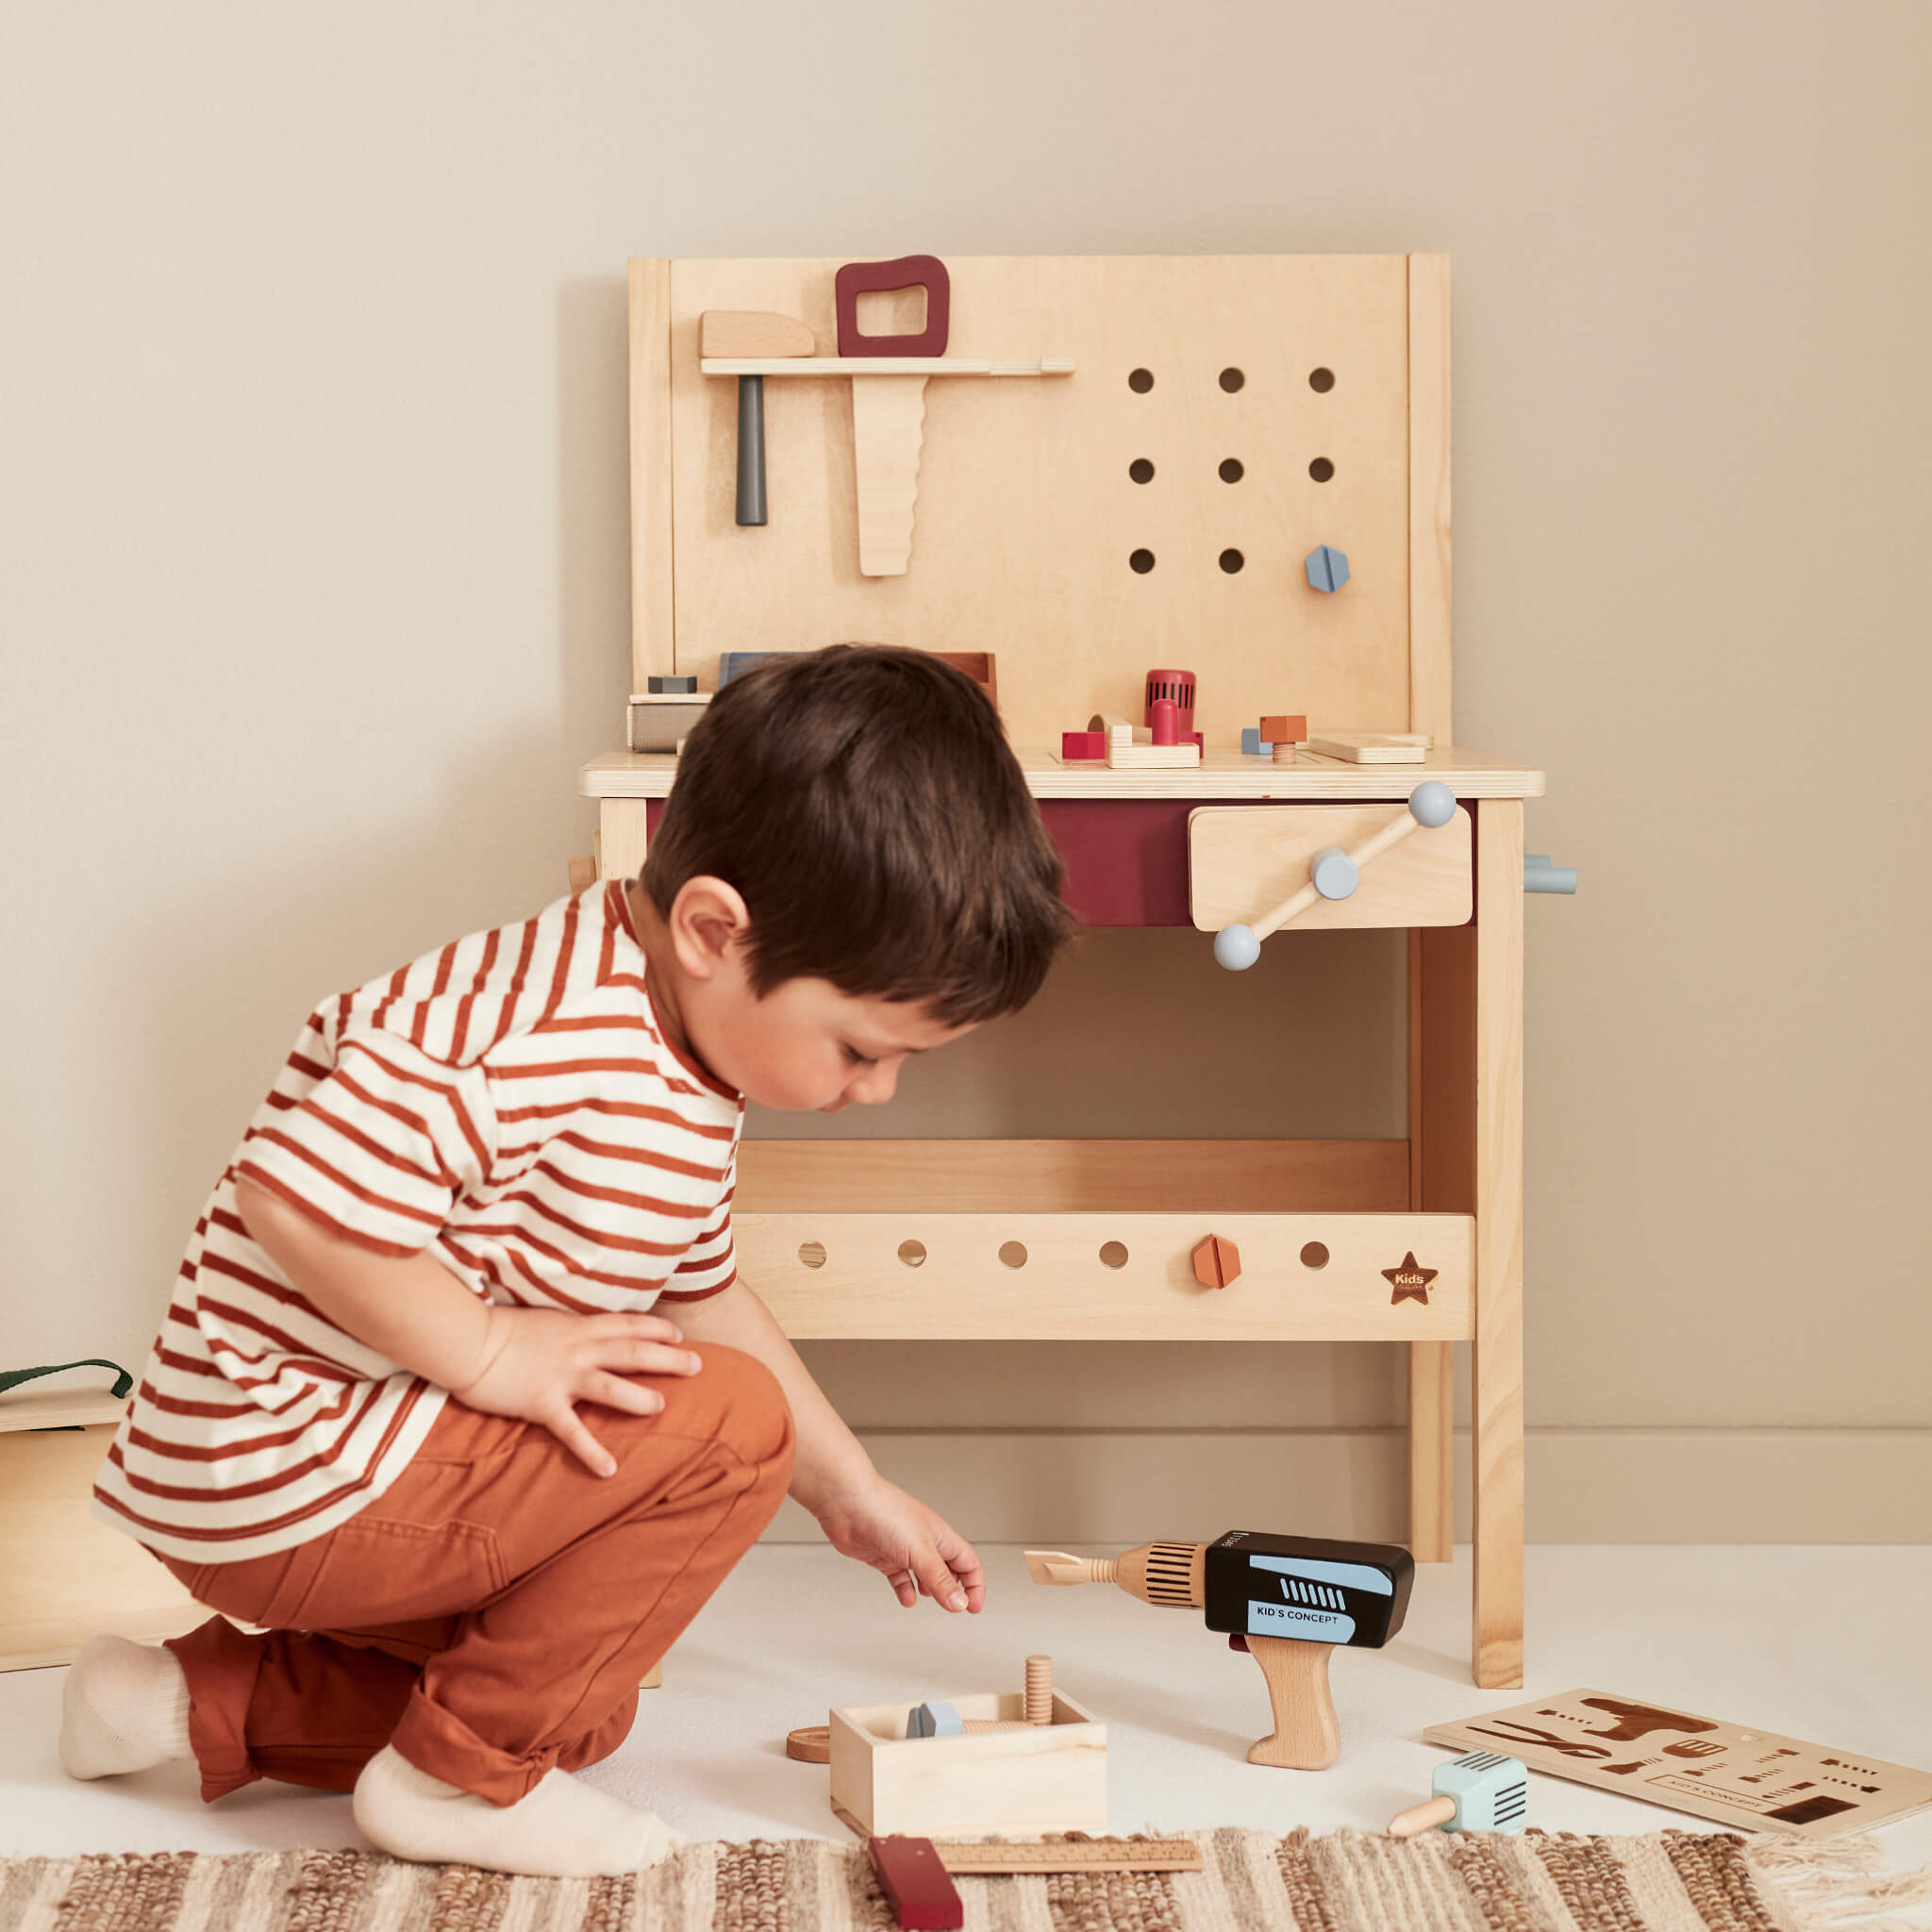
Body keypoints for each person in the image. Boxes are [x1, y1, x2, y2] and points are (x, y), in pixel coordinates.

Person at [65, 646, 1074, 1877]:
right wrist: (491, 1350)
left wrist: (850, 1487)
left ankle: (171, 1706)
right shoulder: (534, 1026)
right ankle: (453, 1789)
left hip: (334, 1468)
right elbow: (293, 1199)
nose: (875, 1092)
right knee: (728, 1431)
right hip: (285, 1459)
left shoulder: (682, 1038)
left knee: (578, 1701)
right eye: (862, 1051)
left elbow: (698, 1287)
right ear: (714, 930)